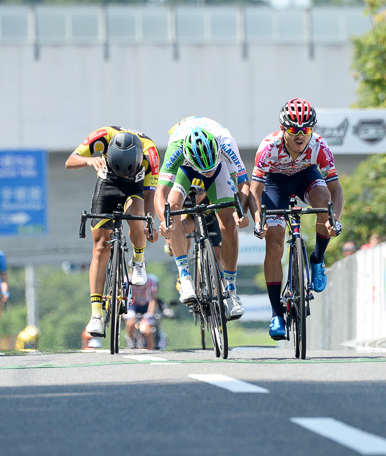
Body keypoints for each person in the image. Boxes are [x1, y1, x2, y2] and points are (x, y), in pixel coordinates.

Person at [249, 97, 344, 340]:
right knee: (275, 241)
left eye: (306, 129)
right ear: (283, 129)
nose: (300, 135)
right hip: (274, 184)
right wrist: (259, 219)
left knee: (323, 201)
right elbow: (255, 192)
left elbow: (336, 190)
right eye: (294, 130)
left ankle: (317, 258)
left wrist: (334, 220)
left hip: (305, 176)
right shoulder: (268, 147)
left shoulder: (319, 146)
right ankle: (276, 314)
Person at [65, 127, 160, 336]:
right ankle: (96, 315)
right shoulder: (101, 137)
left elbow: (150, 196)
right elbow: (69, 161)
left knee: (137, 217)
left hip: (134, 187)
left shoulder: (150, 153)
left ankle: (138, 261)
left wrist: (149, 223)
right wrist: (88, 160)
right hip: (107, 183)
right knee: (100, 247)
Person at [155, 116, 250, 320]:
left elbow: (243, 183)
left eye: (209, 168)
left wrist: (241, 211)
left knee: (229, 223)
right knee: (172, 209)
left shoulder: (226, 143)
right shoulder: (177, 148)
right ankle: (185, 277)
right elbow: (160, 192)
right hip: (186, 169)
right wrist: (165, 221)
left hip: (221, 169)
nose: (206, 173)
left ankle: (231, 291)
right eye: (203, 170)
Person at [125, 273, 160, 349]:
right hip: (132, 305)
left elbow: (153, 298)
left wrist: (150, 313)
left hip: (145, 304)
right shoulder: (126, 280)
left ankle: (150, 348)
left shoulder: (150, 280)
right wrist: (123, 313)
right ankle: (131, 341)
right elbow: (122, 298)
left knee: (148, 329)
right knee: (130, 323)